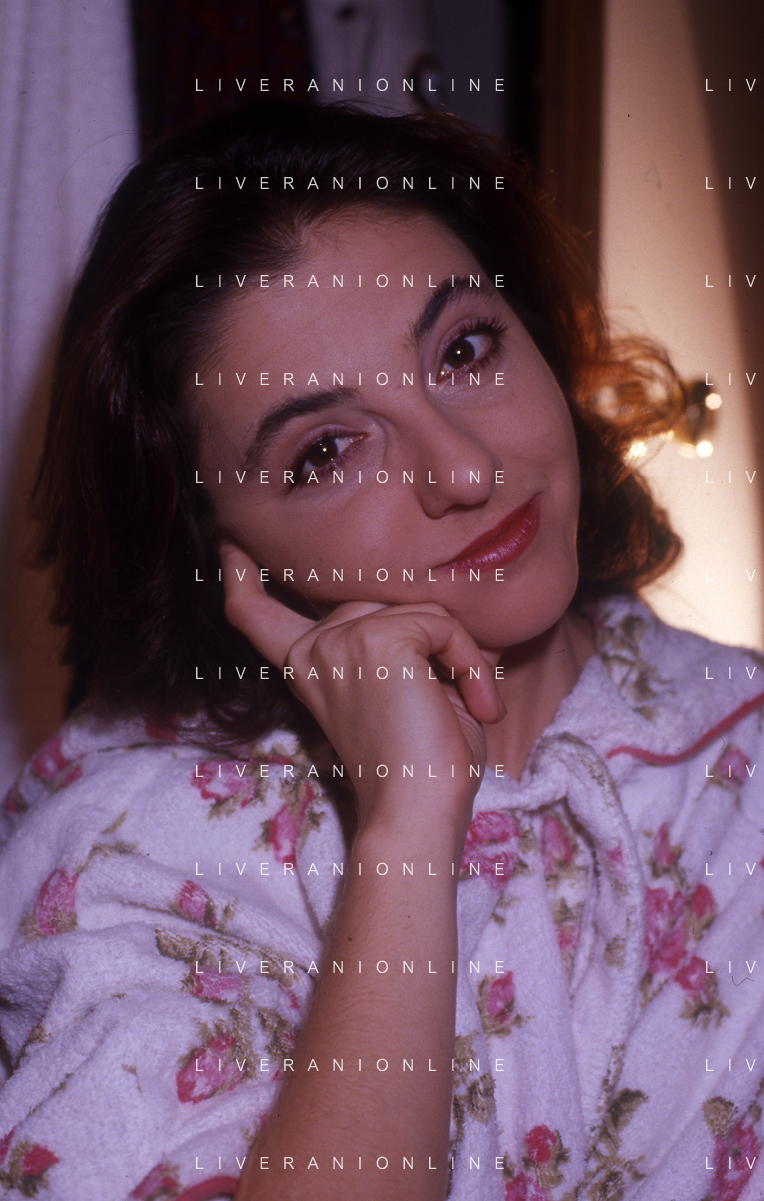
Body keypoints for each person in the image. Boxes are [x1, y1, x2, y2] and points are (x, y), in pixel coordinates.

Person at [0, 98, 763, 1201]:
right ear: (217, 548)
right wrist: (405, 828)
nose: (463, 469)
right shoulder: (131, 857)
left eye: (465, 348)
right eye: (325, 452)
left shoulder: (741, 750)